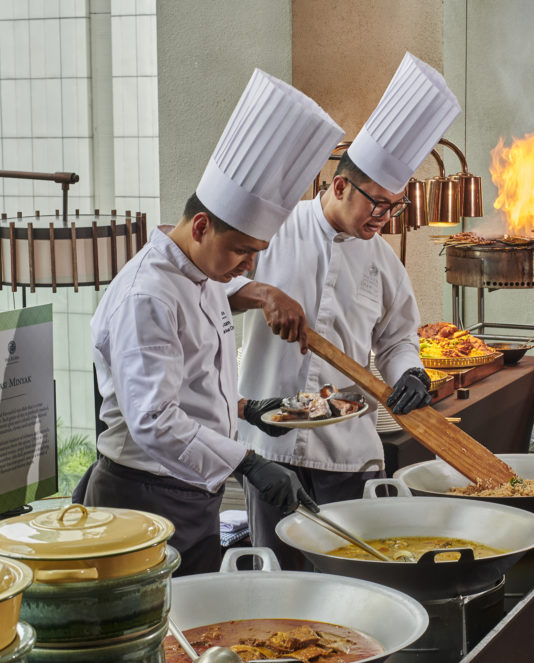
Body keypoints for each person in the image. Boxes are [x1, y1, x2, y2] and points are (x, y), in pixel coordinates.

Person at [84, 69, 344, 576]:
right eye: (242, 252)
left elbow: (191, 380)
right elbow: (155, 420)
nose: (248, 267)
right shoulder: (148, 295)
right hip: (144, 497)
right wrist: (246, 462)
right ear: (200, 226)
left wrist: (247, 409)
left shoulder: (202, 274)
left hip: (189, 491)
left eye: (256, 254)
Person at [226, 53, 461, 568]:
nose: (385, 217)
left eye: (395, 206)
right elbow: (213, 288)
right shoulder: (275, 229)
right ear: (338, 186)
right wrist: (262, 294)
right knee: (276, 572)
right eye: (377, 202)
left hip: (346, 449)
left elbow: (398, 338)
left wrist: (412, 373)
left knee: (346, 571)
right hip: (272, 439)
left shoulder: (382, 261)